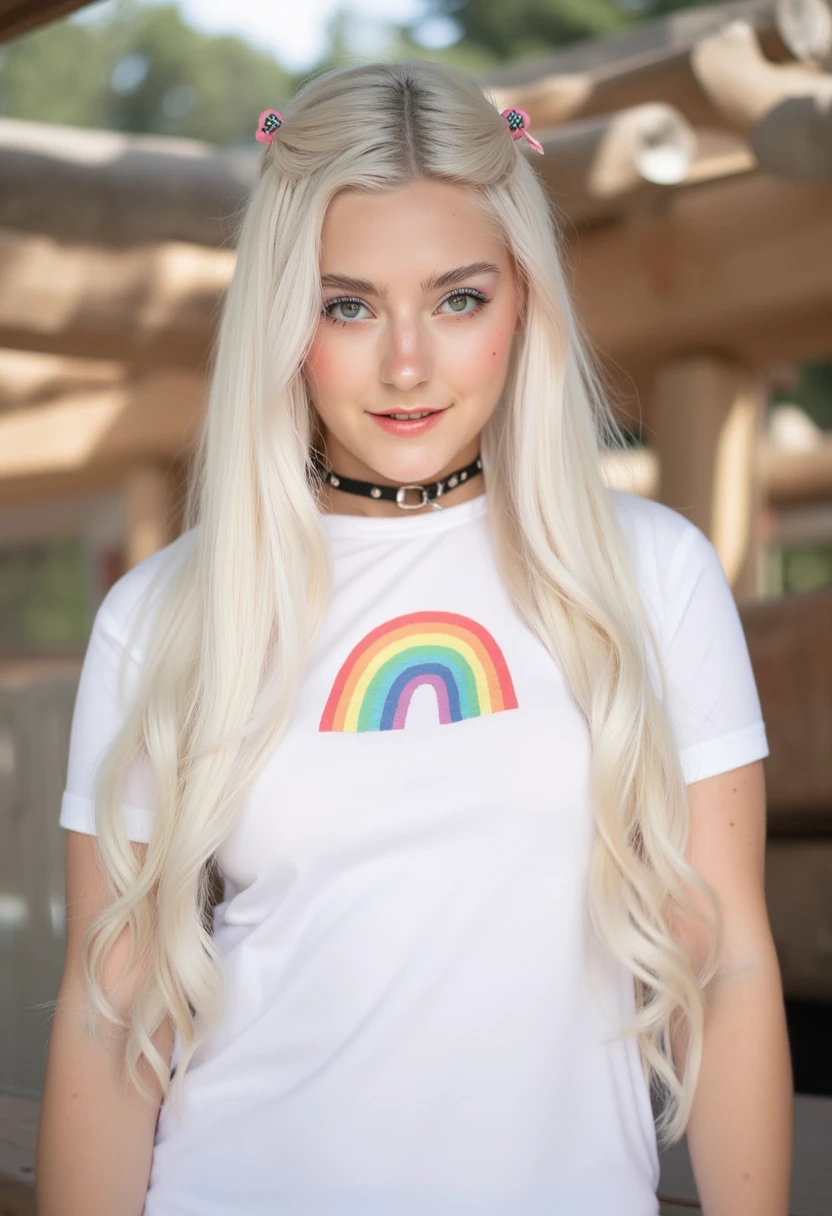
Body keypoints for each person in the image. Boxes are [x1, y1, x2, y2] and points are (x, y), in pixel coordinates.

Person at [37, 59, 792, 1216]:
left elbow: (728, 961)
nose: (404, 363)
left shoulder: (651, 577)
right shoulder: (165, 613)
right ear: (286, 318)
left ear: (524, 300)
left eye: (457, 298)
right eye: (347, 304)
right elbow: (108, 1013)